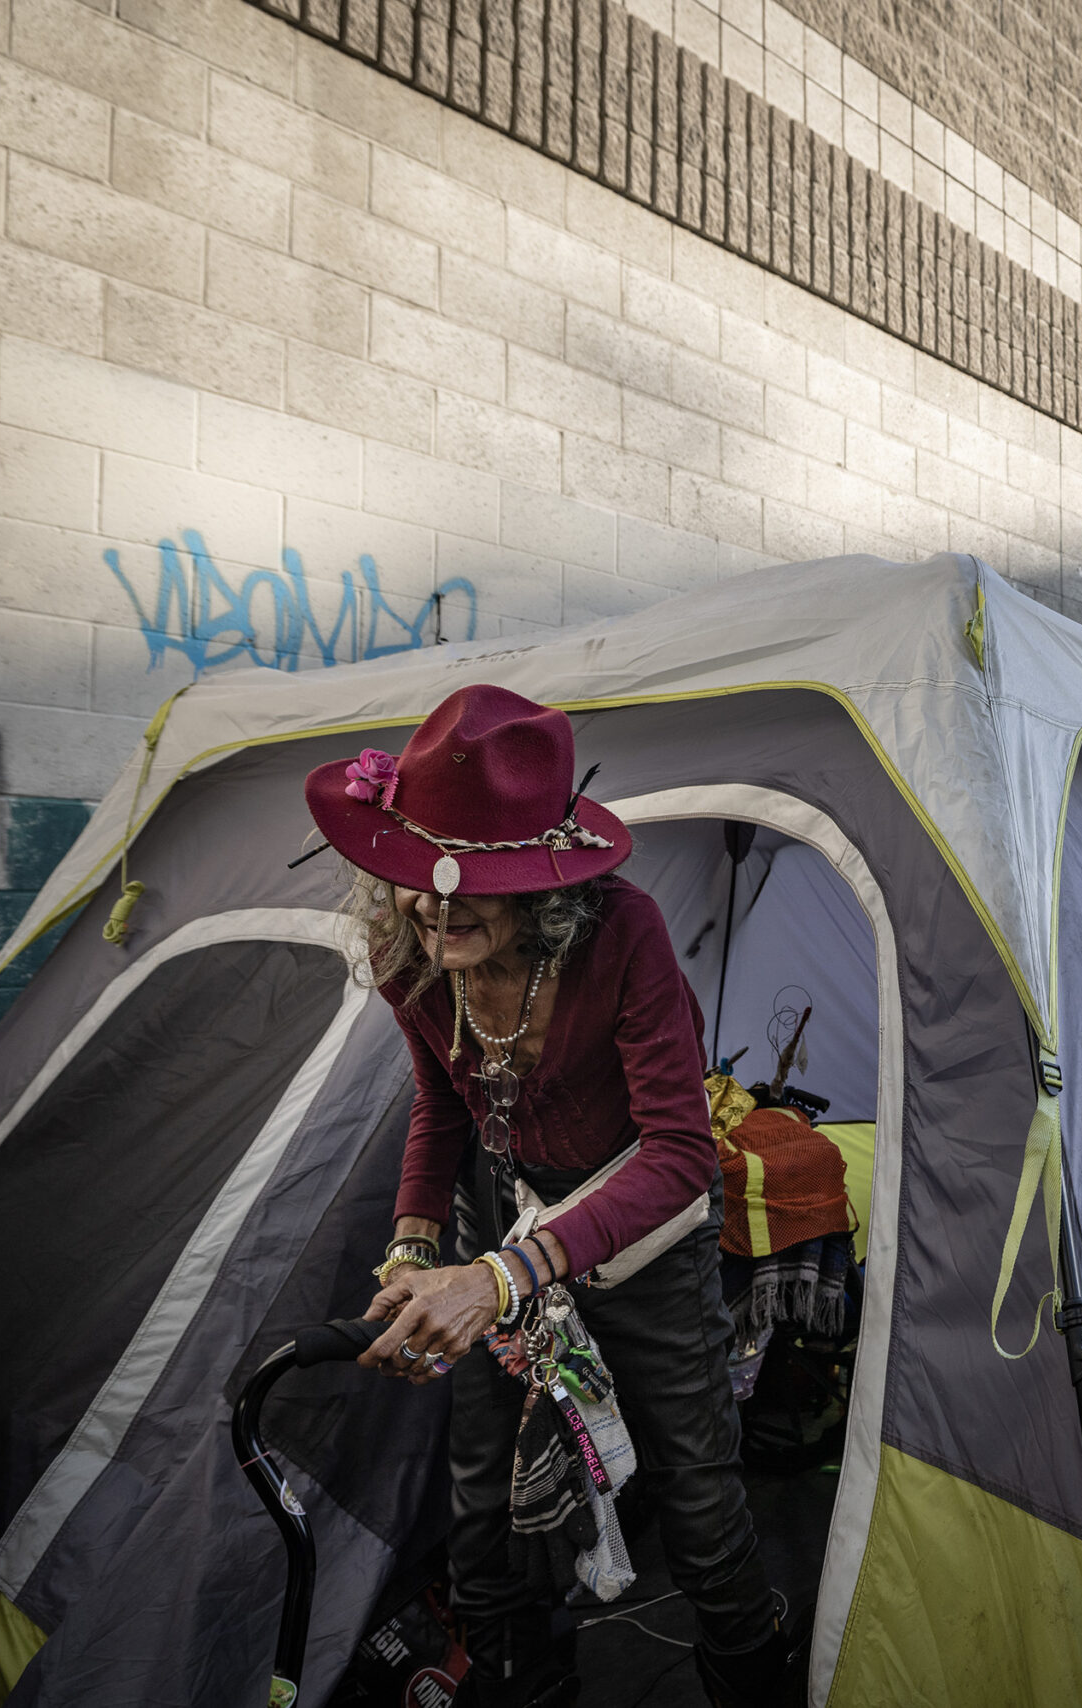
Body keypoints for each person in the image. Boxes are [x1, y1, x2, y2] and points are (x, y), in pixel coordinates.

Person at [307, 685, 788, 1707]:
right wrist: (411, 1248)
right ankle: (526, 1683)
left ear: (542, 887)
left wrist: (503, 1274)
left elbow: (679, 1156)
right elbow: (442, 1104)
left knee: (699, 1505)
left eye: (475, 884)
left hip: (640, 1238)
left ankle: (753, 1681)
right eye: (420, 881)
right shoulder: (413, 952)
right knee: (479, 1497)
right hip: (497, 1215)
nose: (439, 906)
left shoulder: (626, 936)